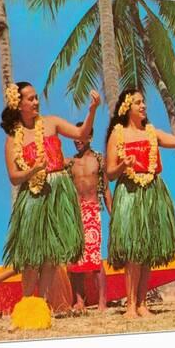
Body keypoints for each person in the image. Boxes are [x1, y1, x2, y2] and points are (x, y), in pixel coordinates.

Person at [0, 81, 100, 304]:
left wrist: (92, 110)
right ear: (19, 105)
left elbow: (81, 132)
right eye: (31, 99)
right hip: (33, 195)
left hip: (58, 190)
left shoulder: (51, 123)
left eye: (36, 97)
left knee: (50, 254)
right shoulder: (13, 139)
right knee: (30, 255)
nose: (36, 102)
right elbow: (13, 176)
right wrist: (33, 169)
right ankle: (28, 303)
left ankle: (42, 305)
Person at [105, 89, 175, 318]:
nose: (143, 105)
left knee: (146, 251)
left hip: (152, 193)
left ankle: (141, 303)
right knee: (133, 251)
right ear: (127, 107)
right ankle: (130, 305)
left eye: (144, 101)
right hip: (129, 193)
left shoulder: (152, 132)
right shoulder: (118, 135)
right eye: (138, 102)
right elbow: (109, 173)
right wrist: (123, 165)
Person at [65, 122, 113, 313]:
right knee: (75, 258)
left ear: (89, 136)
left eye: (81, 136)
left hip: (93, 210)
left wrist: (114, 215)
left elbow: (107, 190)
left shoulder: (99, 160)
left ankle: (102, 302)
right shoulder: (70, 163)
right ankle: (79, 301)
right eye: (75, 137)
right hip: (75, 214)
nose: (77, 140)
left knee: (94, 259)